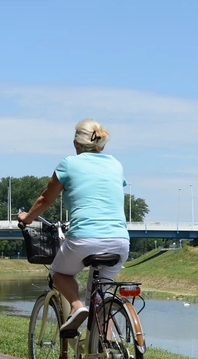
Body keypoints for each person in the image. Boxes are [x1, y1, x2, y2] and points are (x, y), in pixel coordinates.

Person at [17, 119, 130, 335]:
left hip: (85, 237)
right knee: (100, 299)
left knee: (58, 274)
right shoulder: (115, 164)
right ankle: (104, 358)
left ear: (75, 144)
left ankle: (77, 307)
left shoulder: (69, 163)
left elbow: (45, 200)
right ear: (102, 145)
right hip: (120, 241)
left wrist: (28, 218)